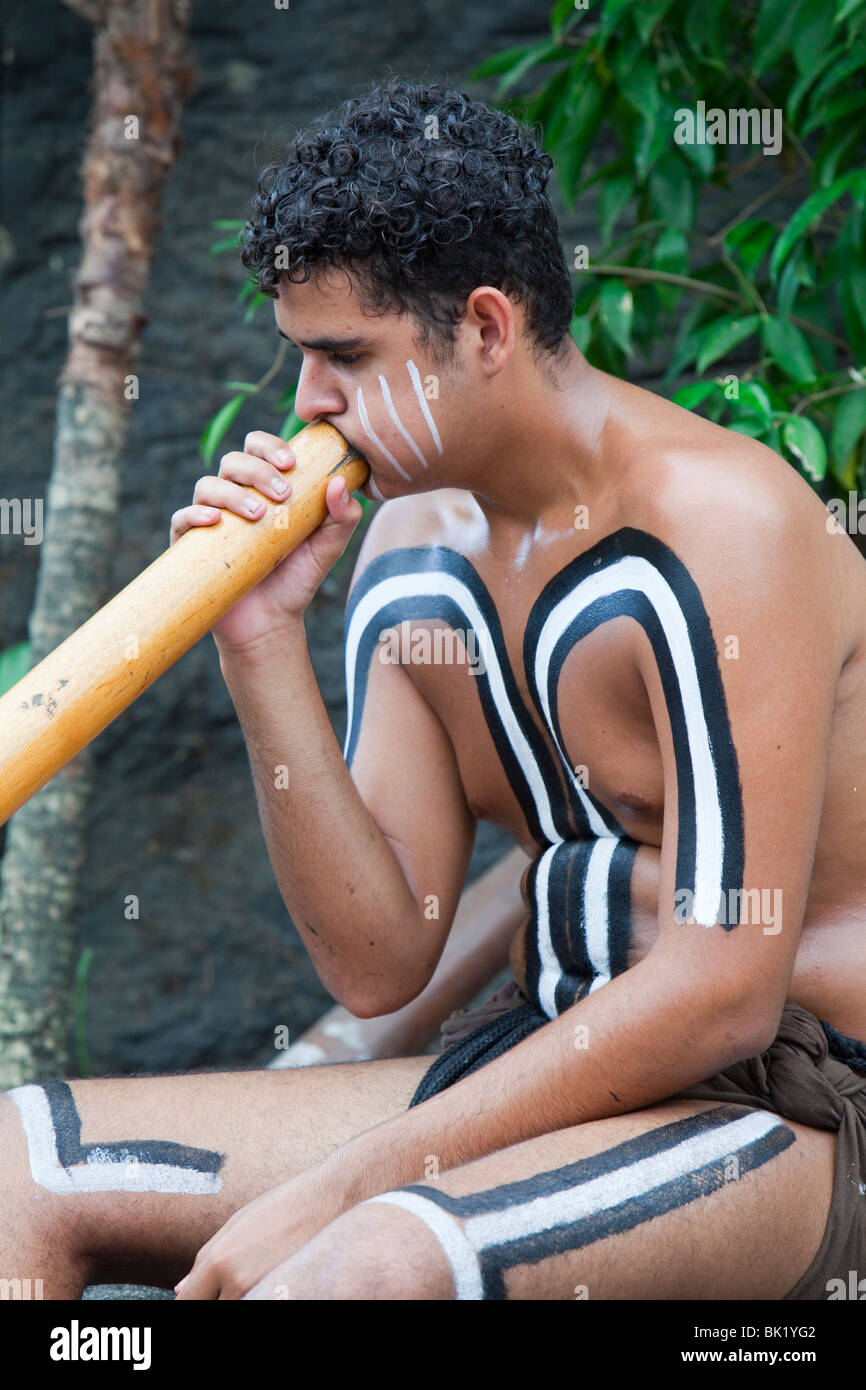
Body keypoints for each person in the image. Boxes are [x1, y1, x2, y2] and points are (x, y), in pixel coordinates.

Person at [2, 74, 865, 1302]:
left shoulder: (718, 528)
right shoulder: (414, 551)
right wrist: (259, 640)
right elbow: (375, 958)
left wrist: (354, 1180)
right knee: (18, 1165)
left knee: (372, 1258)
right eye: (298, 356)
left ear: (484, 329)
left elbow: (723, 993)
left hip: (805, 1107)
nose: (305, 404)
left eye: (342, 356)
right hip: (537, 1069)